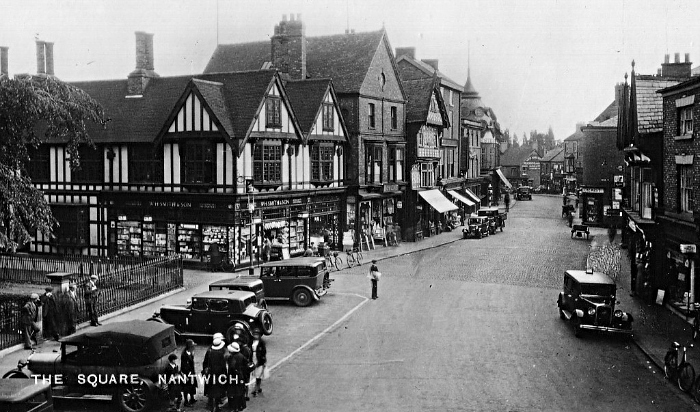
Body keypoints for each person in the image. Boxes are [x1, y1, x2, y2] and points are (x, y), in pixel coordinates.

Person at [203, 333, 227, 412]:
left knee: (211, 390)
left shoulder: (209, 351)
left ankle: (211, 404)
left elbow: (205, 362)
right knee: (218, 391)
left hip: (210, 374)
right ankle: (216, 406)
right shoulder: (220, 354)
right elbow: (223, 366)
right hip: (219, 375)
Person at [226, 342, 248, 412]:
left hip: (233, 377)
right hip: (240, 376)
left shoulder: (232, 357)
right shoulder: (241, 356)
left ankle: (234, 407)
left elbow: (231, 367)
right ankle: (241, 406)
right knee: (240, 391)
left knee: (234, 392)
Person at [250, 329, 267, 397]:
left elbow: (263, 352)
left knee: (258, 374)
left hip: (259, 359)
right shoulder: (251, 341)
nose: (255, 336)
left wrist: (262, 360)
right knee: (253, 374)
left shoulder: (261, 343)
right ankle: (255, 388)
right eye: (254, 334)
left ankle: (257, 387)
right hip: (253, 357)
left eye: (257, 334)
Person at [181, 339, 197, 407]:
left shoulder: (190, 353)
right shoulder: (184, 355)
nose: (194, 347)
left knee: (192, 386)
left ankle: (192, 398)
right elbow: (184, 367)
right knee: (186, 387)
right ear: (190, 347)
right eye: (193, 346)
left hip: (191, 372)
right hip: (187, 373)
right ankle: (186, 401)